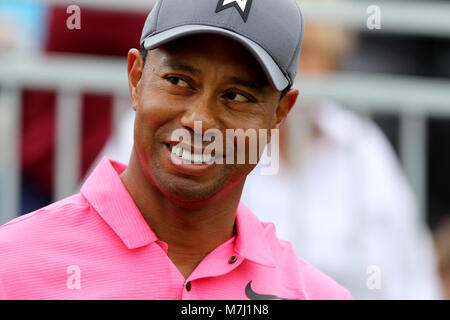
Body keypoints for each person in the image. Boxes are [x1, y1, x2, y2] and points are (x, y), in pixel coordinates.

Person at [0, 0, 352, 300]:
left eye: (236, 96)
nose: (199, 120)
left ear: (279, 114)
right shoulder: (12, 264)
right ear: (136, 79)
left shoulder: (315, 294)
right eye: (179, 81)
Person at [242, 22, 443, 299]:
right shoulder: (239, 141)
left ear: (333, 65)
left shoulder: (362, 145)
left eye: (309, 53)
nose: (294, 68)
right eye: (284, 53)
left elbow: (411, 269)